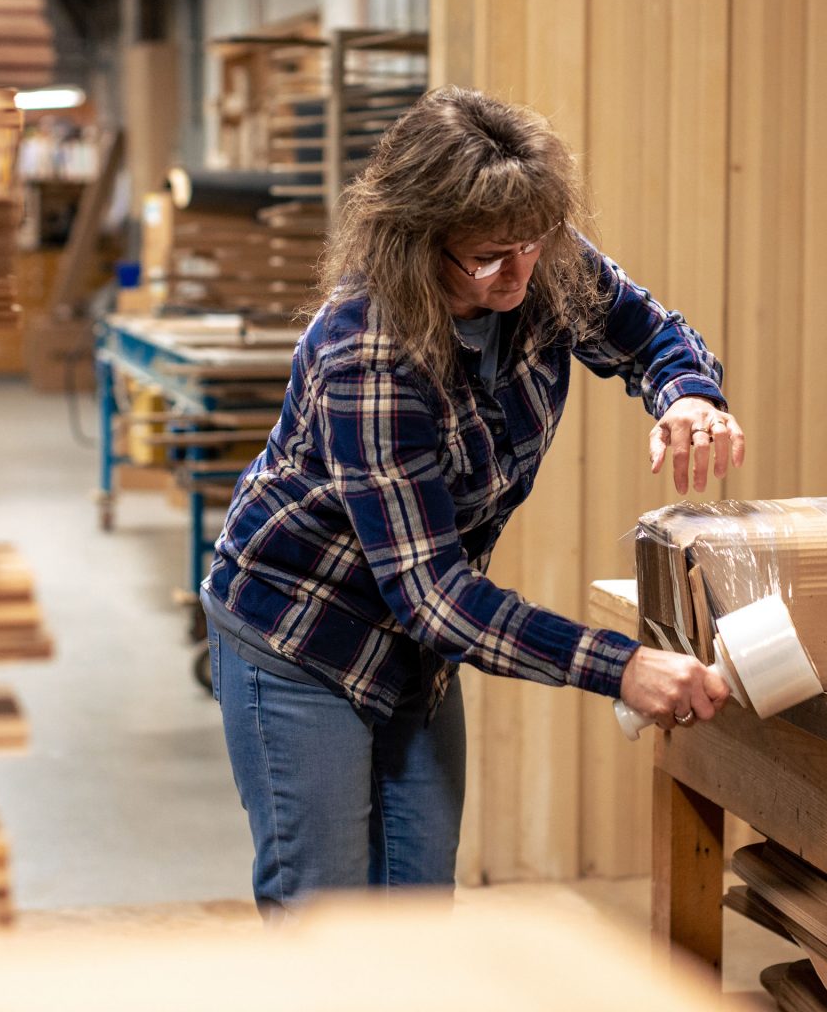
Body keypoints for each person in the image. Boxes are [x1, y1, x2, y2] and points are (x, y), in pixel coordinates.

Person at [202, 85, 744, 915]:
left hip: (415, 652)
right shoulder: (367, 353)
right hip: (301, 631)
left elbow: (647, 332)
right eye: (489, 256)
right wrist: (621, 666)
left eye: (531, 244)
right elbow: (435, 598)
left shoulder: (537, 261)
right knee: (328, 917)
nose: (520, 275)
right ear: (415, 241)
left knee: (418, 908)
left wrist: (687, 394)